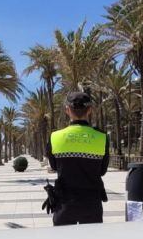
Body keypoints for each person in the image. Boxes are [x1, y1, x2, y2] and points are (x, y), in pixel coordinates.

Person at [45, 92, 109, 225]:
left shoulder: (55, 137)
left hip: (64, 205)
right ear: (90, 110)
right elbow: (102, 171)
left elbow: (54, 166)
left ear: (67, 110)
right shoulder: (102, 137)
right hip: (92, 205)